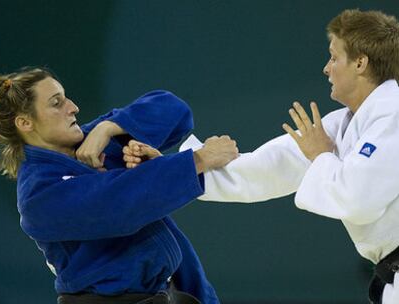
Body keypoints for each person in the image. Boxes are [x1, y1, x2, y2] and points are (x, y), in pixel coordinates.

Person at [125, 9, 399, 304]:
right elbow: (265, 169)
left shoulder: (392, 112)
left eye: (334, 57)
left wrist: (321, 155)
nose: (326, 68)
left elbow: (357, 200)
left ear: (360, 62)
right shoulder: (341, 124)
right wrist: (174, 167)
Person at [0, 67, 239, 304]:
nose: (73, 107)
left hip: (171, 291)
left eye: (66, 97)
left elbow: (174, 109)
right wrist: (198, 159)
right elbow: (121, 202)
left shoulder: (94, 139)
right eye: (56, 103)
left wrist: (110, 126)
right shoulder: (38, 196)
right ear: (25, 123)